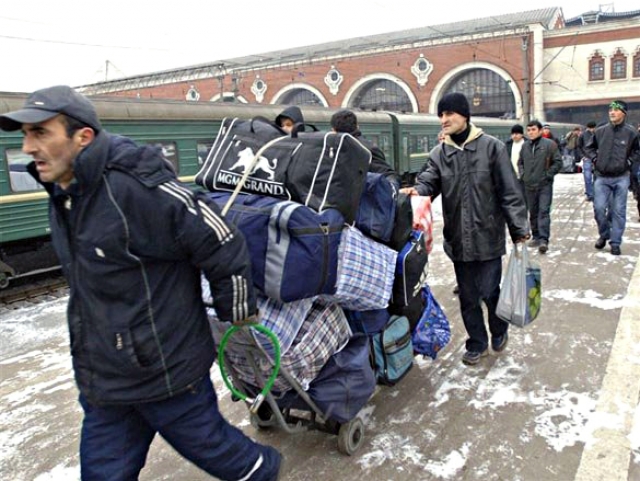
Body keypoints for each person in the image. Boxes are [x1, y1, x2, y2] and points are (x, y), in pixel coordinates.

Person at [0, 85, 282, 481]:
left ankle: (265, 471)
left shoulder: (135, 186)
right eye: (26, 135)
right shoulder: (65, 191)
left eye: (41, 133)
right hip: (104, 377)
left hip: (165, 372)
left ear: (83, 138)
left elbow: (219, 236)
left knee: (227, 458)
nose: (28, 147)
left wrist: (235, 308)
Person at [401, 93, 529, 366]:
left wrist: (519, 229)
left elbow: (510, 192)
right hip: (458, 239)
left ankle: (499, 329)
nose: (444, 120)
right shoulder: (440, 154)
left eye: (450, 114)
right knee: (468, 296)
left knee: (489, 291)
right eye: (441, 115)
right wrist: (416, 191)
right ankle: (477, 343)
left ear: (465, 116)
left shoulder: (492, 148)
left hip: (488, 235)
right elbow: (428, 182)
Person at [584, 100, 640, 255]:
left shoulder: (631, 133)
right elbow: (589, 147)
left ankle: (615, 242)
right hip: (602, 177)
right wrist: (595, 159)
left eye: (616, 110)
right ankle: (604, 234)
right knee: (599, 208)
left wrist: (628, 162)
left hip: (621, 177)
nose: (612, 112)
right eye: (610, 110)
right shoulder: (600, 131)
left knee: (618, 211)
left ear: (623, 113)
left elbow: (637, 151)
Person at [517, 120, 563, 254]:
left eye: (533, 130)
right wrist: (523, 174)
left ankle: (544, 239)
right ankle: (536, 236)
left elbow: (558, 162)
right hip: (528, 185)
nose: (531, 132)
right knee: (533, 212)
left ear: (540, 130)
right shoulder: (525, 146)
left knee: (543, 211)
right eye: (529, 130)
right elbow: (520, 162)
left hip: (544, 185)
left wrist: (548, 175)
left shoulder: (550, 145)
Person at [330, 108, 401, 187]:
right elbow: (388, 176)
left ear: (333, 130)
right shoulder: (368, 149)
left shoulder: (328, 149)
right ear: (357, 126)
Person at [577, 121, 597, 201]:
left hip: (595, 157)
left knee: (596, 176)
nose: (592, 130)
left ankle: (593, 192)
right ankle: (590, 194)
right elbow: (579, 146)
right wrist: (582, 156)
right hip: (587, 158)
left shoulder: (597, 134)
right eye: (591, 128)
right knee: (588, 177)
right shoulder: (583, 135)